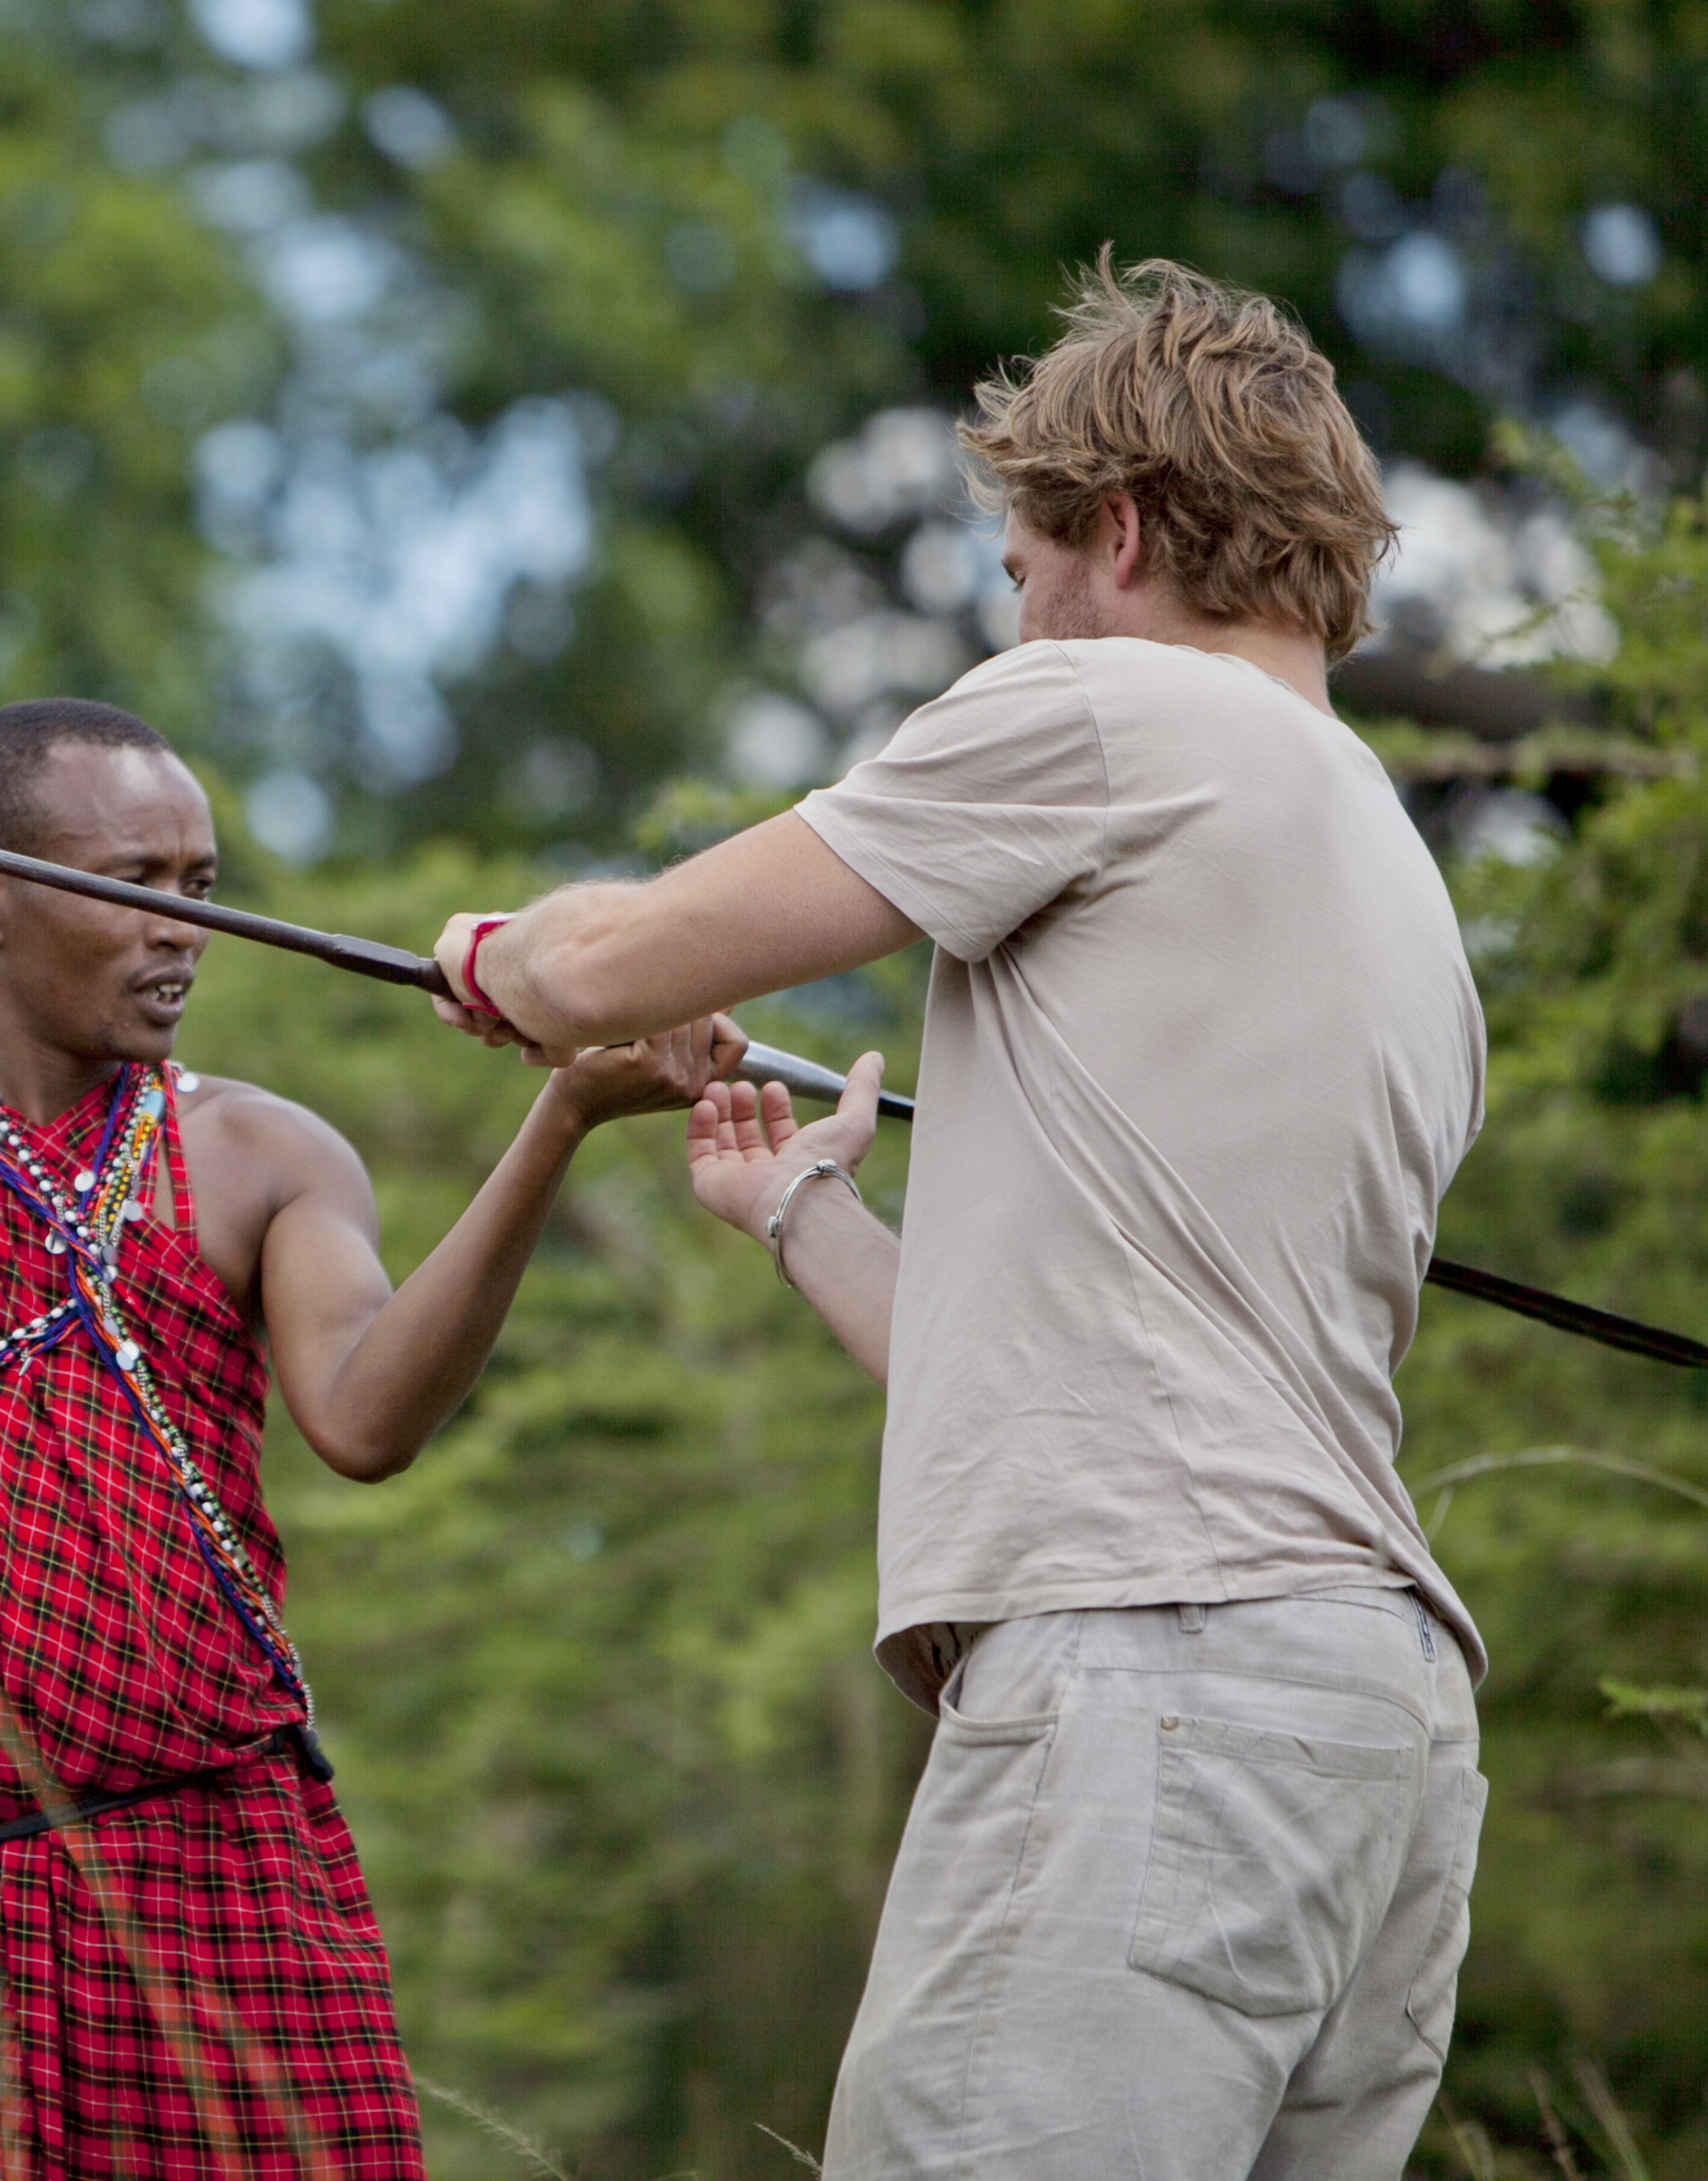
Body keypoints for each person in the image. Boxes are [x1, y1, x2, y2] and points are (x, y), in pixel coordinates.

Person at [426, 259, 1488, 2178]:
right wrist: (797, 1206)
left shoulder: (1104, 710)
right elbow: (1081, 1372)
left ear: (1121, 527)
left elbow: (606, 965)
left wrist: (502, 951)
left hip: (1154, 1680)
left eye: (1015, 559)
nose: (1009, 608)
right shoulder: (1397, 889)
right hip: (1369, 1722)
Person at [0, 697, 745, 2180]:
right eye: (134, 884)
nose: (181, 931)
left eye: (200, 889)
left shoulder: (270, 1152)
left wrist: (560, 1122)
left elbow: (366, 1416)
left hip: (233, 1871)